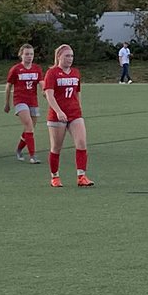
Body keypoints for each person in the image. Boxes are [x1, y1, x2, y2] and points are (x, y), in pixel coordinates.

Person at [44, 43, 93, 187]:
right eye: (67, 56)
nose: (70, 58)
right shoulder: (52, 73)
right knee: (56, 148)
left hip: (74, 114)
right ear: (59, 56)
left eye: (71, 56)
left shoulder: (76, 73)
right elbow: (49, 95)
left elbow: (77, 92)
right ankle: (55, 177)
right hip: (57, 116)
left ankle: (81, 176)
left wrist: (79, 108)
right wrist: (59, 111)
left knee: (82, 143)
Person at [4, 43, 43, 163]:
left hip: (33, 101)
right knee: (29, 126)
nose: (29, 56)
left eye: (31, 54)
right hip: (20, 100)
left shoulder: (37, 69)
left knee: (29, 128)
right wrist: (7, 103)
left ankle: (19, 149)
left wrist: (46, 92)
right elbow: (8, 86)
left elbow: (42, 83)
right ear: (21, 55)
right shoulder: (16, 69)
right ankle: (33, 156)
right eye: (26, 54)